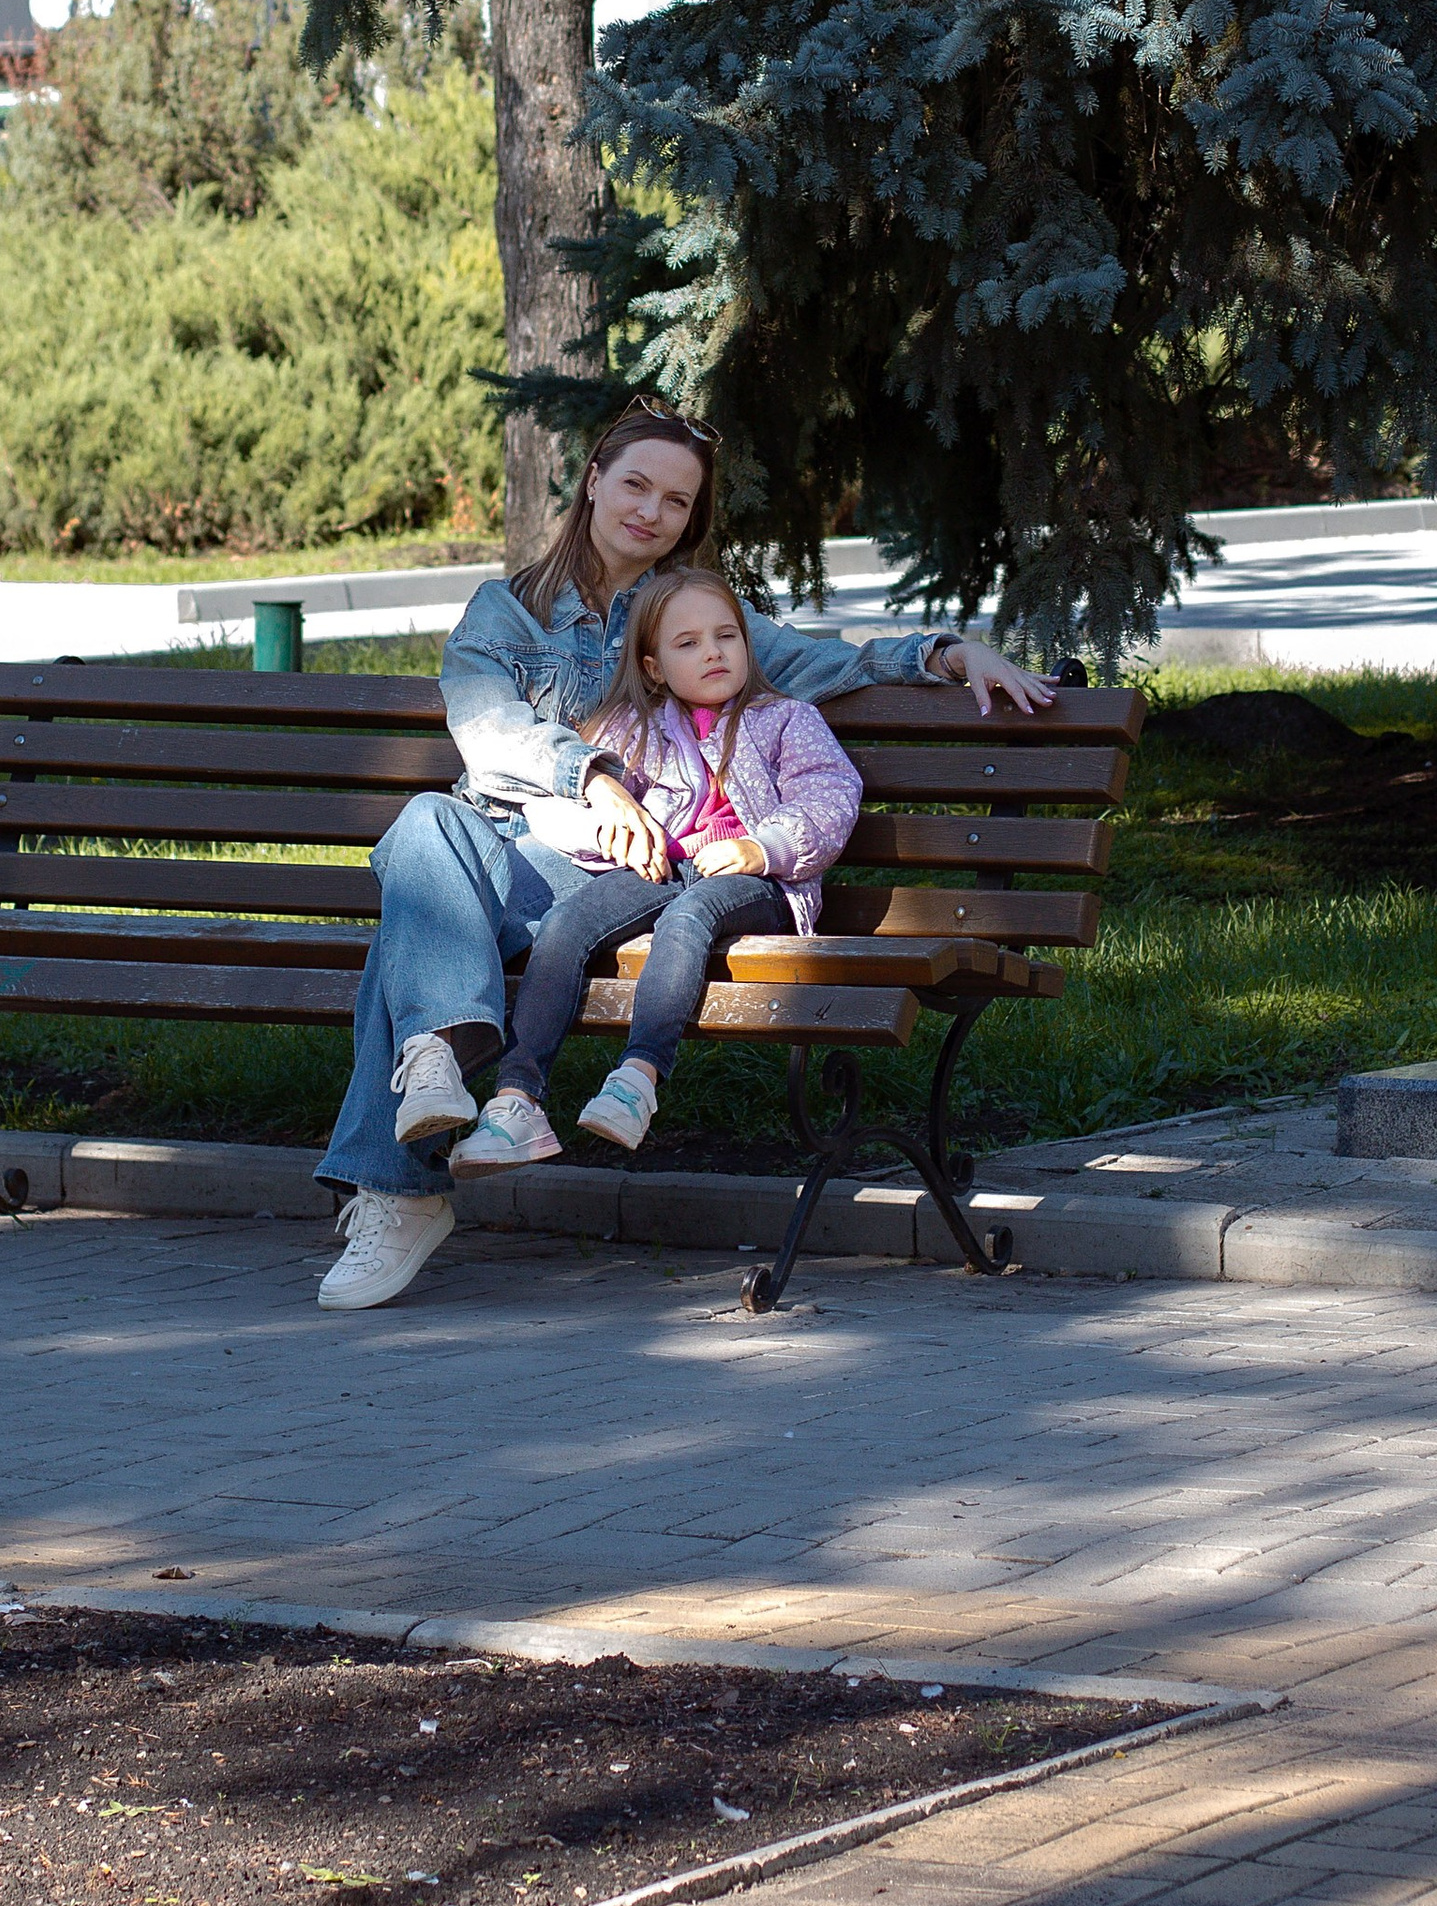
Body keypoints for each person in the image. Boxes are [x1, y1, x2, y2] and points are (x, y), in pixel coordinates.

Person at [315, 400, 1052, 1309]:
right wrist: (592, 776)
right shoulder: (506, 613)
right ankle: (437, 1061)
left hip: (593, 878)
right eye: (635, 485)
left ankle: (403, 1173)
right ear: (593, 481)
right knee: (427, 823)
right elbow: (485, 727)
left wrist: (945, 652)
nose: (650, 512)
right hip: (511, 845)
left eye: (675, 500)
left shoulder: (683, 612)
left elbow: (828, 664)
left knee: (409, 933)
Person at [452, 565, 864, 1165]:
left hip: (759, 883)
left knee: (689, 917)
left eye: (727, 636)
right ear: (653, 666)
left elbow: (829, 795)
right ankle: (517, 1100)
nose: (714, 653)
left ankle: (637, 1078)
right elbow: (556, 806)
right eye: (688, 643)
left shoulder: (785, 719)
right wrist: (609, 834)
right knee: (567, 923)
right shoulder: (633, 728)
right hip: (661, 872)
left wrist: (763, 846)